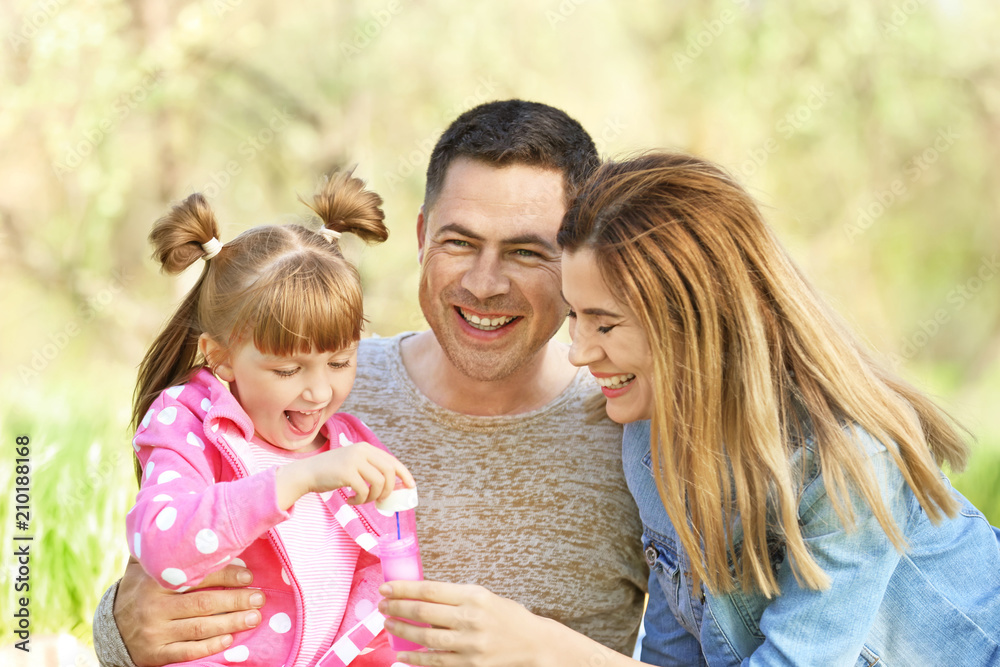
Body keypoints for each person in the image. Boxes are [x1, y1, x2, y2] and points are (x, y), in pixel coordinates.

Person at [378, 151, 1000, 666]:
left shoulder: (845, 459)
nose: (577, 352)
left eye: (605, 324)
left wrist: (545, 648)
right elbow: (675, 659)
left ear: (693, 324)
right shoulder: (648, 439)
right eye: (575, 317)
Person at [93, 101, 648, 667]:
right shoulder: (310, 399)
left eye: (526, 251)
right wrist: (120, 629)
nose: (484, 284)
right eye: (459, 243)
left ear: (580, 259)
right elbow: (173, 550)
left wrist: (546, 650)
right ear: (422, 235)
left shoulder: (633, 428)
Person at [124, 169, 418, 667]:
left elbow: (378, 608)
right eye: (287, 369)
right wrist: (297, 479)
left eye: (341, 361)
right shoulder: (190, 426)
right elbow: (164, 551)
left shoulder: (349, 446)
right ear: (219, 357)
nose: (320, 391)